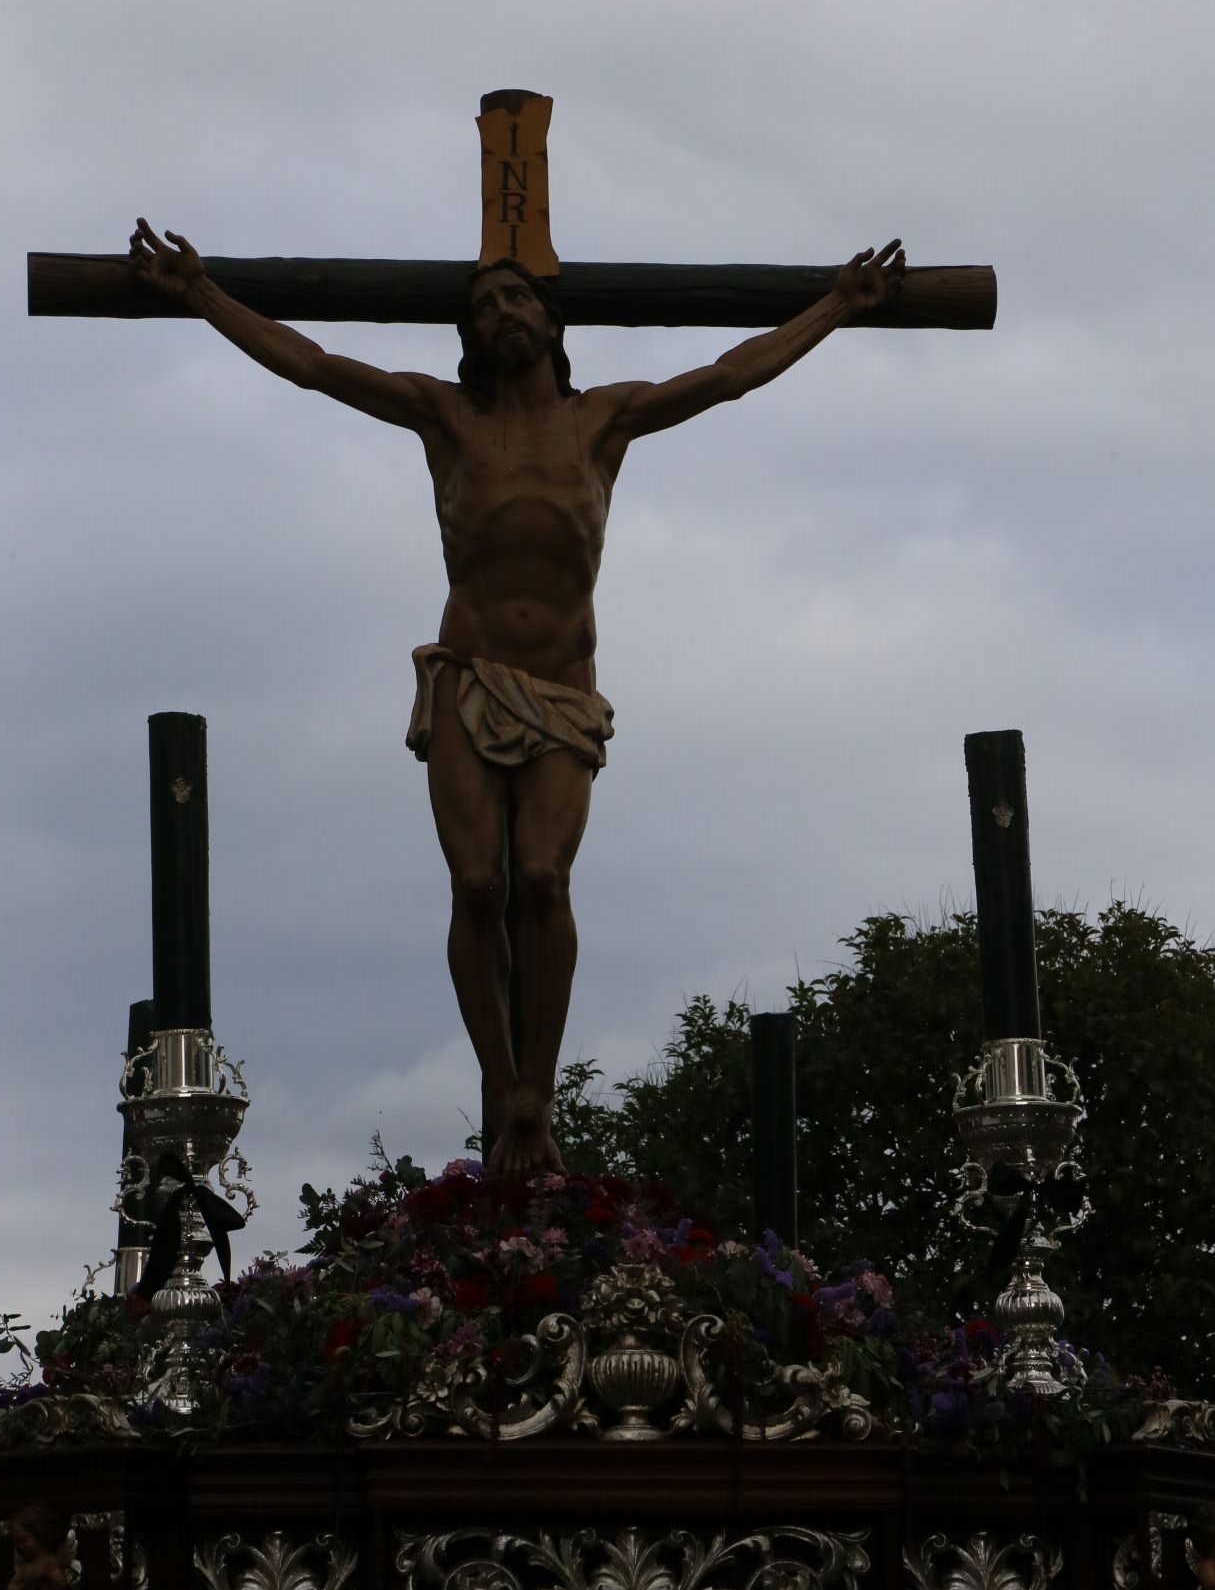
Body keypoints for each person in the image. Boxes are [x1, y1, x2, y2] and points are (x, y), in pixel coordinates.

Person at [129, 220, 905, 1173]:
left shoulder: (604, 421)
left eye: (516, 298)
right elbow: (315, 365)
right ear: (469, 335)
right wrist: (202, 294)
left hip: (563, 689)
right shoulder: (446, 418)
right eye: (484, 305)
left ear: (552, 318)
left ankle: (537, 1089)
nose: (501, 312)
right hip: (467, 677)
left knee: (542, 878)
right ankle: (504, 1095)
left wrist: (835, 305)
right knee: (478, 884)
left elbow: (730, 375)